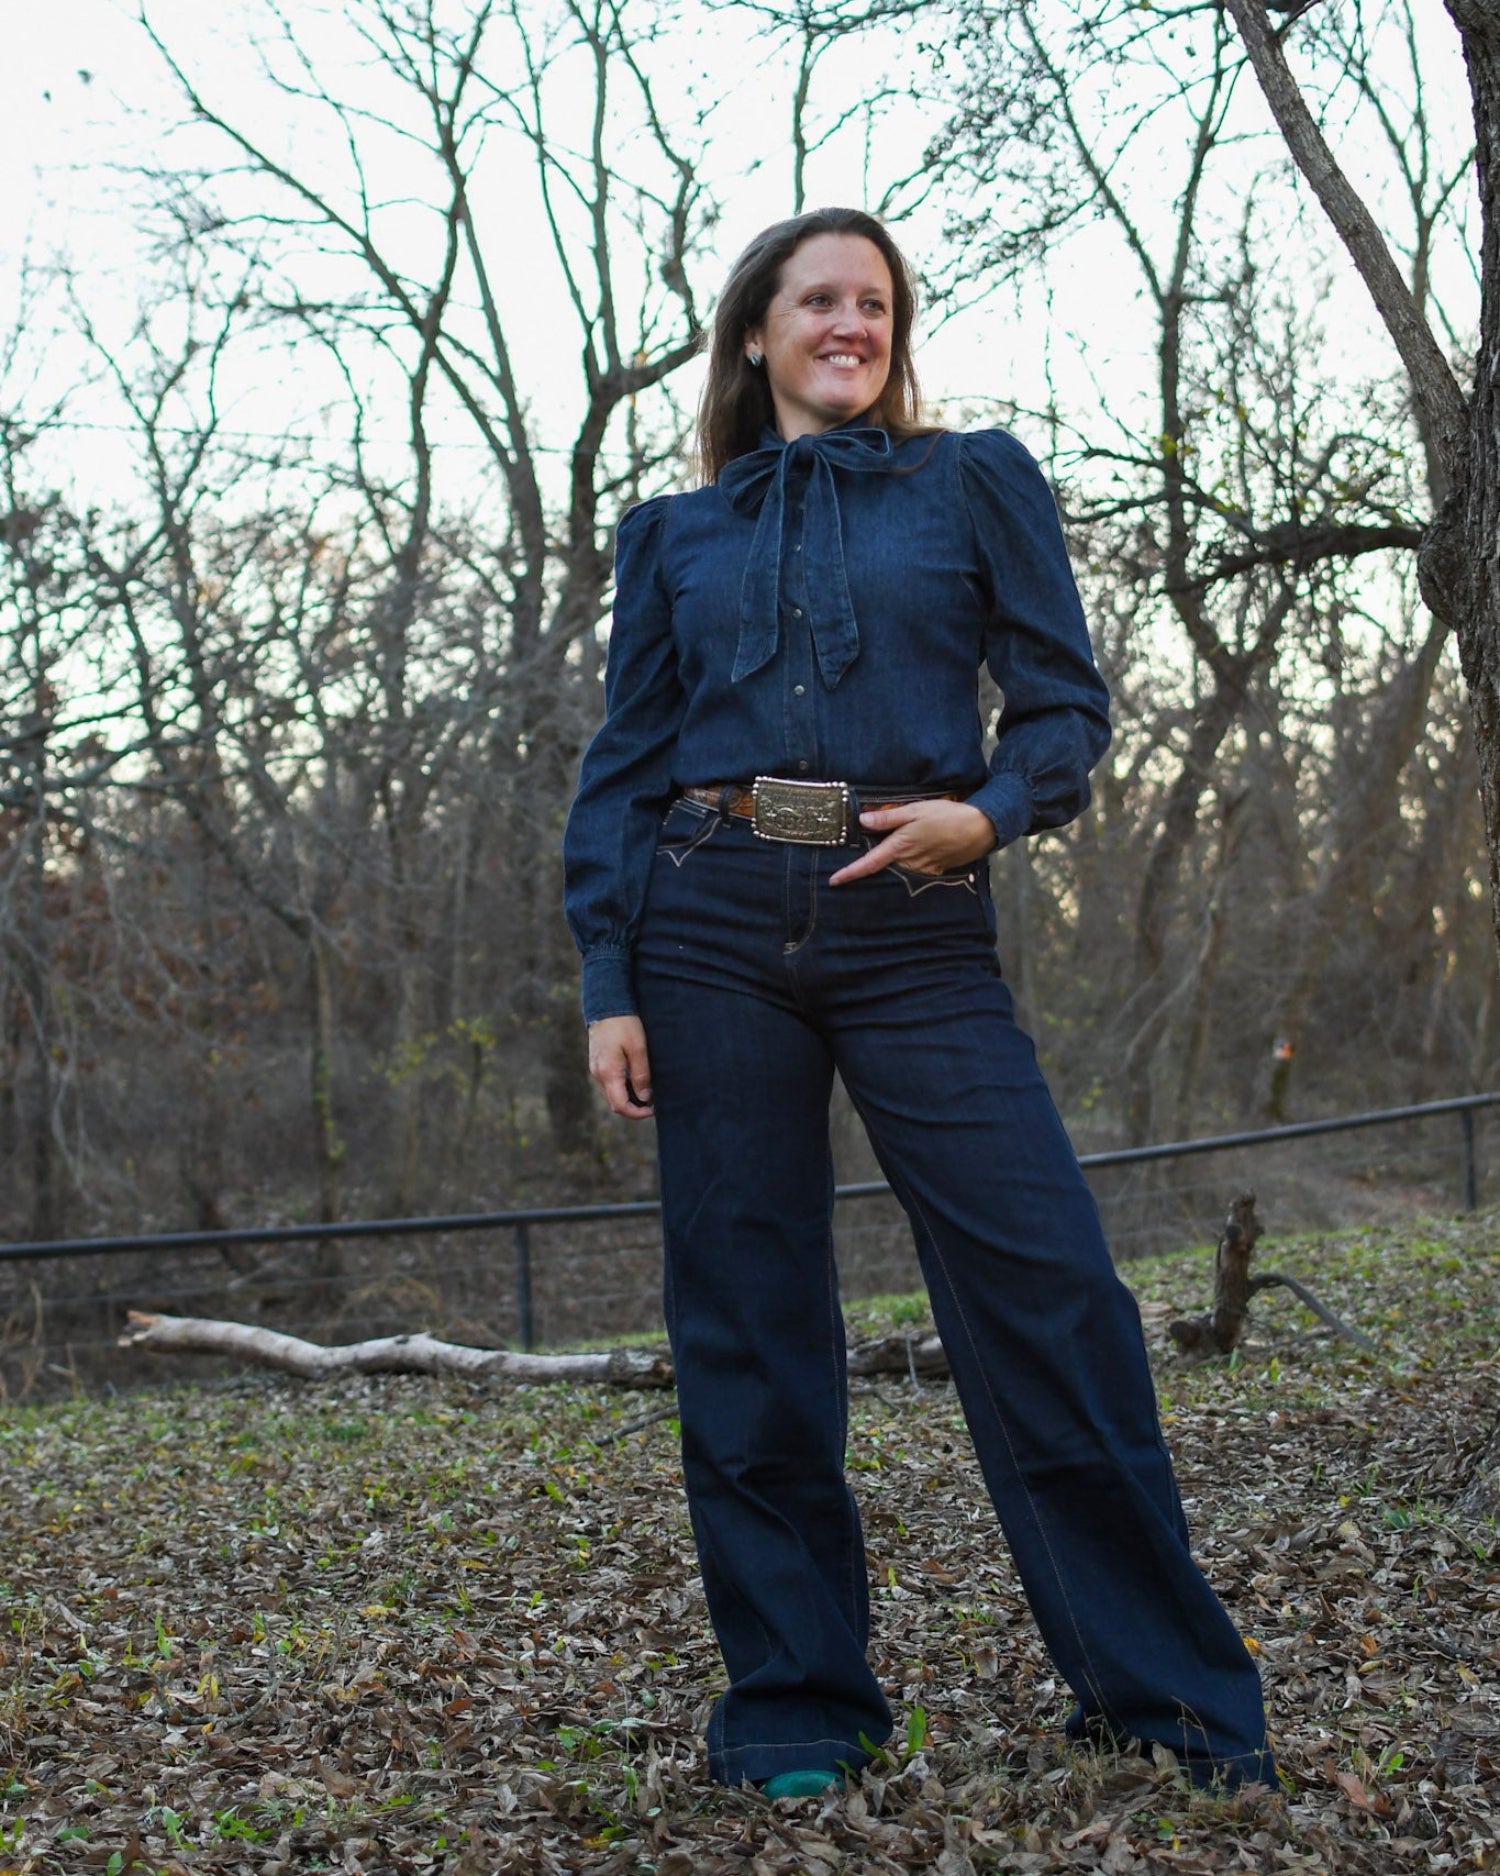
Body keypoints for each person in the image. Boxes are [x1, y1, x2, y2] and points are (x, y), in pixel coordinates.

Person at [562, 207, 1274, 1798]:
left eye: (874, 303)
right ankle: (799, 1709)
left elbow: (1064, 701)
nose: (849, 324)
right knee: (746, 1319)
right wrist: (609, 973)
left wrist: (994, 814)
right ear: (756, 331)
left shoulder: (974, 479)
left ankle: (1166, 1705)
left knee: (1054, 1294)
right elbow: (623, 765)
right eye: (817, 299)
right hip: (709, 917)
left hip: (919, 913)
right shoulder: (674, 534)